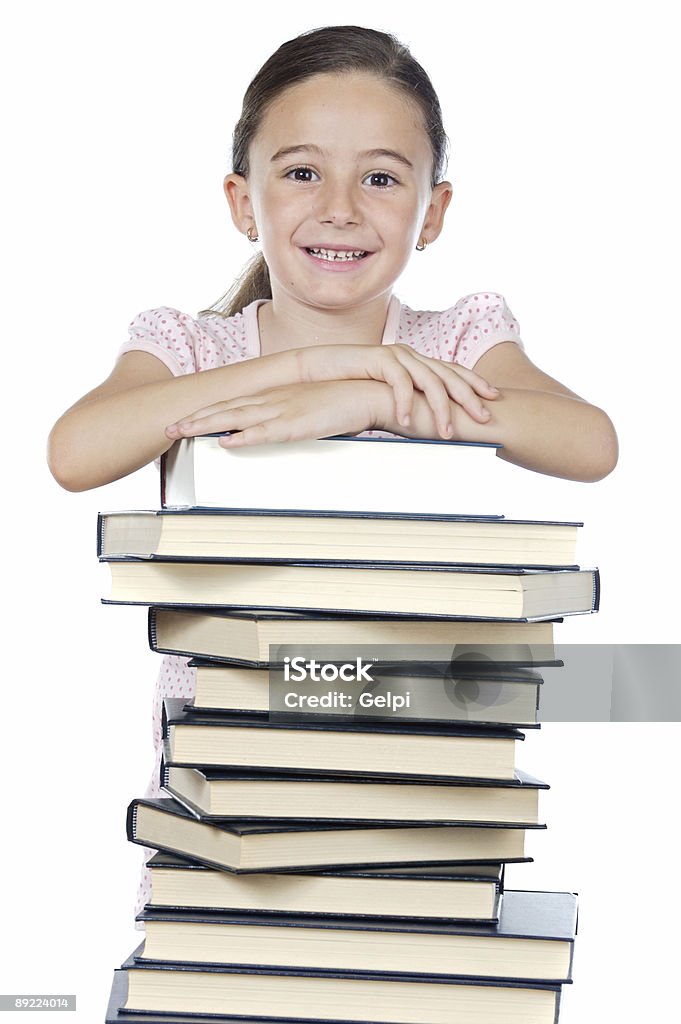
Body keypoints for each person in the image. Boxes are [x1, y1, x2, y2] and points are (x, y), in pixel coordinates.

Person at [47, 25, 618, 914]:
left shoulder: (455, 340)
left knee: (401, 956)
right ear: (243, 201)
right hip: (235, 765)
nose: (341, 207)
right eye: (302, 171)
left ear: (431, 212)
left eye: (382, 178)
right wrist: (314, 371)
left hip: (412, 751)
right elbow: (75, 451)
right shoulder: (192, 347)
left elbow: (588, 442)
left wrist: (381, 400)